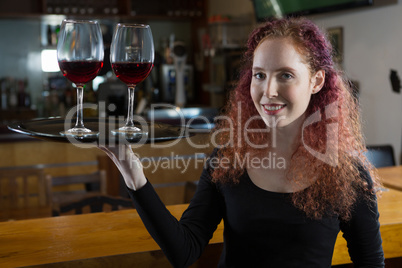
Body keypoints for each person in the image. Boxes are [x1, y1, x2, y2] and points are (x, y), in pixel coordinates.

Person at [100, 17, 384, 267]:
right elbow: (183, 251)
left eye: (285, 75)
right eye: (259, 75)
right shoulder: (228, 158)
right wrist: (132, 173)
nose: (268, 91)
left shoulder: (346, 174)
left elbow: (370, 263)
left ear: (316, 81)